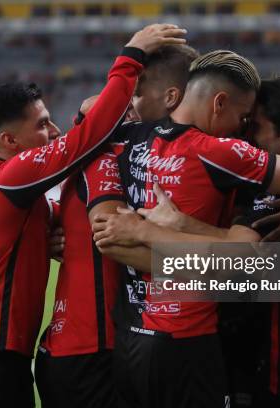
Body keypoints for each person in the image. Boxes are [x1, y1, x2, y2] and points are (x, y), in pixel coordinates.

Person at [0, 23, 187, 408]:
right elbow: (88, 144)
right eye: (42, 125)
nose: (56, 131)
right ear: (10, 141)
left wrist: (58, 232)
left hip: (2, 351)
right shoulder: (22, 176)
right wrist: (130, 56)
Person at [94, 76, 280, 408]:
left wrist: (144, 234)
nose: (245, 136)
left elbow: (234, 268)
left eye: (255, 126)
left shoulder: (276, 202)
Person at [36, 44, 198, 408]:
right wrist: (223, 271)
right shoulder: (115, 152)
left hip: (177, 344)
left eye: (136, 94)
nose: (131, 107)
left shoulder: (216, 154)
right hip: (104, 349)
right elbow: (111, 238)